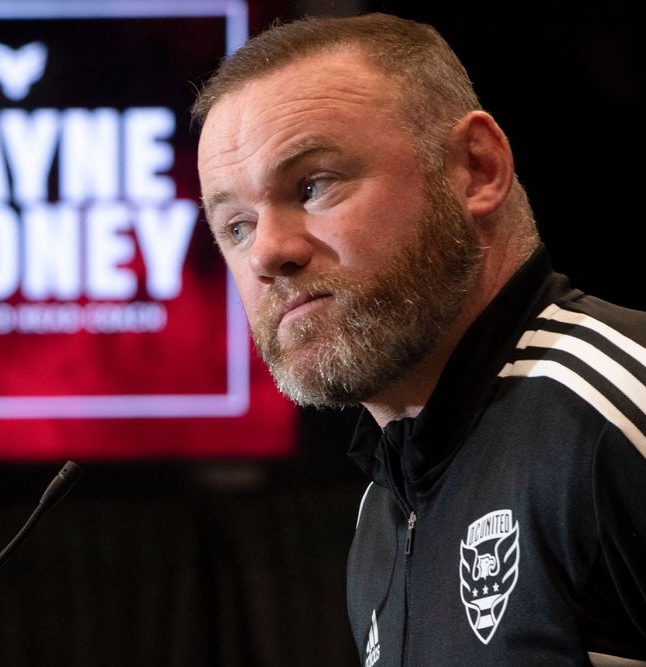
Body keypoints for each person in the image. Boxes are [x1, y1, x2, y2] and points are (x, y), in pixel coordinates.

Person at [193, 12, 644, 665]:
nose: (267, 252)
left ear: (477, 168)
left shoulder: (615, 416)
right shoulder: (381, 515)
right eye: (235, 225)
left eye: (313, 185)